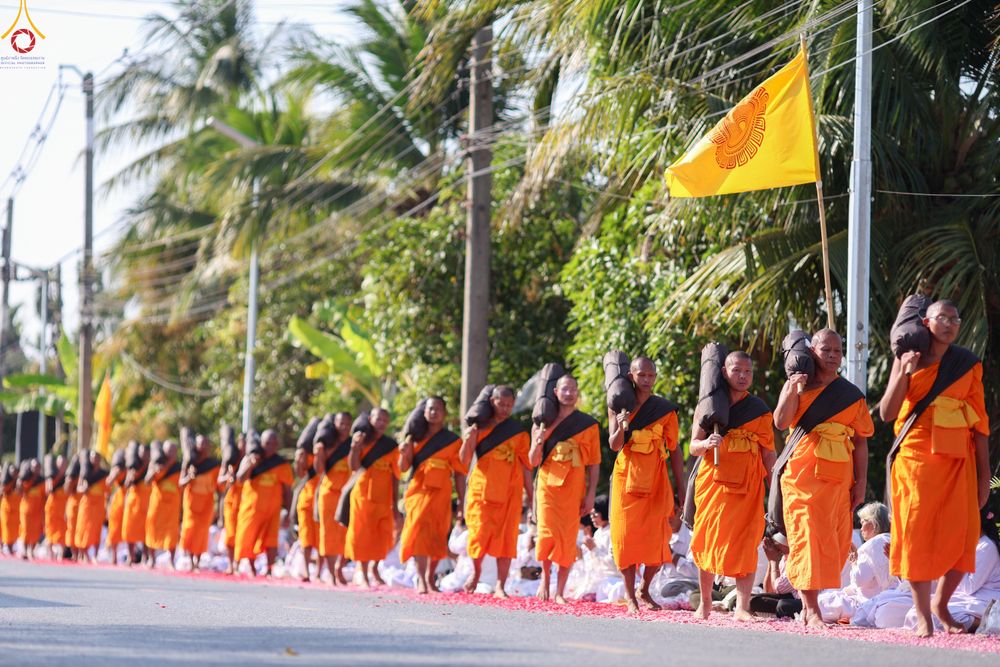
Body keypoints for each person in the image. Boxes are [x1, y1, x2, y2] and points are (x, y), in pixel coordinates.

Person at [878, 300, 990, 637]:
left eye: (955, 318)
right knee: (916, 534)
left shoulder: (967, 364)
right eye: (943, 317)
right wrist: (905, 373)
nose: (950, 324)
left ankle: (942, 603)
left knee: (965, 534)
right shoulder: (907, 358)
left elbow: (980, 426)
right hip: (915, 459)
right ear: (926, 322)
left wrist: (984, 478)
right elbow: (886, 413)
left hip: (958, 460)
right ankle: (924, 613)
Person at [773, 329, 873, 629]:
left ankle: (808, 605)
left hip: (838, 478)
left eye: (837, 351)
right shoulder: (799, 385)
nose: (831, 355)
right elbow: (780, 422)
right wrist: (792, 389)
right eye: (825, 350)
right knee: (806, 539)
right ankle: (811, 608)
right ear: (811, 351)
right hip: (802, 478)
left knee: (833, 542)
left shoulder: (850, 394)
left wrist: (861, 481)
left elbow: (861, 441)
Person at [688, 351, 774, 621]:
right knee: (707, 539)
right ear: (724, 371)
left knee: (747, 542)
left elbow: (768, 452)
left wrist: (776, 489)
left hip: (748, 485)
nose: (743, 376)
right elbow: (692, 446)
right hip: (715, 483)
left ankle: (742, 607)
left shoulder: (759, 409)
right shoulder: (710, 405)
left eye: (748, 372)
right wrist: (706, 444)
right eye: (737, 370)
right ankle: (704, 604)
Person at [608, 356, 685, 614]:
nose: (647, 380)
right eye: (642, 375)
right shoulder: (619, 404)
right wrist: (621, 425)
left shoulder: (664, 409)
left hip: (656, 481)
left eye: (651, 376)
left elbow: (675, 450)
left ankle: (645, 587)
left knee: (659, 539)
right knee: (625, 539)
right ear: (631, 375)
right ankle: (630, 596)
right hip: (625, 481)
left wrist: (681, 487)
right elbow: (614, 445)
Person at [529, 375, 600, 604]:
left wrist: (590, 495)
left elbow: (594, 463)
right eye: (564, 389)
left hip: (573, 488)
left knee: (567, 537)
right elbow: (532, 461)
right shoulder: (542, 422)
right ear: (556, 392)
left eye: (573, 390)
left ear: (577, 393)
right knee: (547, 532)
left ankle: (560, 591)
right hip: (547, 486)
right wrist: (538, 441)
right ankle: (545, 580)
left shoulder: (587, 424)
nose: (569, 393)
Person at [460, 385, 533, 598]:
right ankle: (476, 574)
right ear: (492, 401)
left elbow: (526, 467)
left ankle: (501, 585)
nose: (505, 409)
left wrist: (531, 496)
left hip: (510, 491)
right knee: (478, 534)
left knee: (507, 539)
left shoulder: (518, 431)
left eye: (509, 405)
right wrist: (469, 437)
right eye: (501, 404)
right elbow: (464, 461)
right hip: (481, 490)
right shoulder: (480, 427)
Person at [398, 397, 466, 594]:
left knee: (438, 534)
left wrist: (462, 500)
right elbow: (403, 467)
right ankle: (420, 579)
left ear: (444, 413)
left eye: (438, 409)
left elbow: (460, 473)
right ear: (424, 412)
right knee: (418, 533)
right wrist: (404, 452)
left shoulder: (453, 441)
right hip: (417, 493)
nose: (434, 413)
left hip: (442, 494)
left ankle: (430, 578)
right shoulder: (414, 439)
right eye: (430, 409)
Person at [345, 408, 401, 588]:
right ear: (370, 419)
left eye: (385, 420)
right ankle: (362, 571)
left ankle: (375, 568)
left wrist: (395, 503)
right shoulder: (362, 440)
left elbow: (395, 476)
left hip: (384, 498)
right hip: (363, 496)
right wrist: (355, 448)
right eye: (378, 419)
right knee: (362, 534)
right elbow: (354, 467)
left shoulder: (391, 445)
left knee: (382, 535)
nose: (382, 423)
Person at [818, 502, 896, 622]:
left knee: (821, 602)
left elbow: (859, 580)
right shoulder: (894, 541)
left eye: (863, 522)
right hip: (893, 600)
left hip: (868, 603)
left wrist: (854, 563)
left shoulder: (870, 545)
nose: (861, 528)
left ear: (874, 525)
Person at [234, 430, 293, 576]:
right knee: (247, 538)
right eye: (267, 443)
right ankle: (251, 567)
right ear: (261, 443)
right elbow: (240, 478)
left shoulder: (281, 464)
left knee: (271, 541)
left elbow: (287, 490)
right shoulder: (250, 458)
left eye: (273, 443)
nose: (270, 447)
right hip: (251, 509)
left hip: (272, 510)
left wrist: (288, 512)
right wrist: (251, 465)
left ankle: (269, 569)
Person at [314, 412, 352, 585]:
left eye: (347, 423)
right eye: (340, 423)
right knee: (328, 533)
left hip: (348, 494)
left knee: (347, 533)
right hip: (329, 493)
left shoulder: (354, 443)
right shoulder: (327, 444)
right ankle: (331, 573)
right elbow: (319, 469)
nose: (344, 427)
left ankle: (339, 567)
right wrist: (319, 453)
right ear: (334, 424)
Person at [179, 435, 220, 571]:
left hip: (207, 503)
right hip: (191, 503)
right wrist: (189, 477)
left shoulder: (213, 465)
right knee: (191, 529)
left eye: (206, 444)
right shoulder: (190, 463)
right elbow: (181, 483)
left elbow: (219, 485)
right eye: (201, 444)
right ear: (195, 446)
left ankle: (198, 560)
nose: (204, 447)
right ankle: (191, 560)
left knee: (202, 532)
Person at [145, 440, 183, 569]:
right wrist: (155, 471)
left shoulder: (179, 467)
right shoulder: (156, 463)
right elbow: (147, 481)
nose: (171, 453)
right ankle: (152, 559)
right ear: (164, 451)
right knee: (152, 528)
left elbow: (182, 484)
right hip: (157, 502)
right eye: (169, 450)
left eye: (174, 451)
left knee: (172, 532)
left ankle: (171, 561)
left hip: (173, 504)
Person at [217, 434, 245, 574]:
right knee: (230, 535)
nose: (244, 445)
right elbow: (219, 481)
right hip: (231, 502)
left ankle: (238, 564)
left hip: (246, 502)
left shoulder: (251, 460)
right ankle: (230, 564)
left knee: (242, 534)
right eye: (241, 442)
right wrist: (229, 477)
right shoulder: (230, 461)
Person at [75, 450, 109, 562]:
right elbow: (78, 488)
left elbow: (107, 491)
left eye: (97, 458)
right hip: (87, 504)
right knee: (84, 528)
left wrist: (107, 505)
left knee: (97, 529)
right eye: (93, 458)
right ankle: (84, 553)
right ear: (89, 459)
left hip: (99, 504)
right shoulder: (85, 474)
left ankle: (95, 554)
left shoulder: (103, 474)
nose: (95, 460)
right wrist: (83, 489)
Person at [292, 442, 320, 581]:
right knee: (306, 538)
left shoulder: (330, 450)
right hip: (306, 502)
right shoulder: (307, 455)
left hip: (322, 501)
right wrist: (298, 460)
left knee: (323, 539)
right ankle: (306, 572)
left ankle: (320, 573)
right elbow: (300, 473)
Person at [123, 443, 151, 566]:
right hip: (133, 502)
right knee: (130, 530)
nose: (143, 455)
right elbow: (126, 484)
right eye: (141, 452)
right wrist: (132, 475)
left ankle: (145, 557)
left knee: (147, 531)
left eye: (146, 452)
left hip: (148, 502)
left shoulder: (152, 466)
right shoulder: (133, 467)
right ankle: (131, 556)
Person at [17, 459, 45, 560]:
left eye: (38, 467)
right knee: (25, 530)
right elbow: (20, 492)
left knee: (35, 532)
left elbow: (44, 495)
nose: (36, 469)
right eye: (34, 467)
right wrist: (20, 482)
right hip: (26, 509)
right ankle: (24, 550)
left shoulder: (42, 480)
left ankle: (31, 551)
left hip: (37, 510)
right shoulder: (25, 478)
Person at [43, 455, 68, 561]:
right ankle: (50, 553)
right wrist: (51, 482)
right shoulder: (51, 477)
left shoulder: (68, 477)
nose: (62, 466)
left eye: (64, 464)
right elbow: (47, 491)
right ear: (56, 464)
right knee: (50, 529)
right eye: (60, 463)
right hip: (52, 507)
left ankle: (61, 555)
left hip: (64, 508)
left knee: (63, 531)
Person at [104, 450, 128, 564]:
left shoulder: (131, 468)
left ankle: (128, 556)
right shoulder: (117, 469)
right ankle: (113, 556)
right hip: (118, 500)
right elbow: (108, 482)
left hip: (128, 500)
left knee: (128, 528)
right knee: (115, 528)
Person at [63, 457, 82, 561]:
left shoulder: (86, 475)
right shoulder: (71, 477)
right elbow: (67, 491)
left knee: (81, 530)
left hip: (82, 506)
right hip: (73, 506)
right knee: (71, 530)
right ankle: (74, 554)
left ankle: (79, 554)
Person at [0, 463, 21, 555]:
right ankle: (6, 547)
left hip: (16, 511)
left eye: (15, 471)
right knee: (6, 528)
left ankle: (11, 547)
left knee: (14, 530)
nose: (14, 473)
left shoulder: (19, 482)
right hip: (6, 510)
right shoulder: (5, 482)